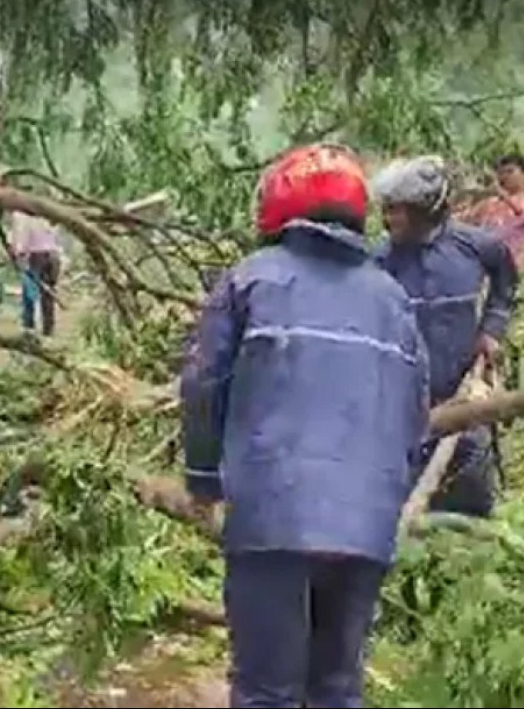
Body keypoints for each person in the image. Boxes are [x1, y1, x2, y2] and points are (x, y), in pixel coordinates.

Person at [181, 143, 430, 708]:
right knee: (336, 690)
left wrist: (202, 479)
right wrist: (387, 498)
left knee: (266, 691)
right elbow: (415, 418)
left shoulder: (249, 281)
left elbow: (203, 385)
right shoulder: (393, 300)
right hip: (365, 527)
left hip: (272, 518)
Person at [373, 155, 519, 518]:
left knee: (471, 498)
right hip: (400, 411)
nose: (389, 219)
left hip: (464, 399)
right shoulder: (377, 261)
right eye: (386, 209)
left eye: (398, 210)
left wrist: (492, 330)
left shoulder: (476, 247)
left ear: (428, 210)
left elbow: (506, 280)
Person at [458, 153, 524, 273]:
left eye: (510, 172)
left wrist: (503, 196)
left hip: (513, 268)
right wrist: (467, 196)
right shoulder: (489, 203)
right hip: (483, 267)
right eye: (501, 173)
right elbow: (461, 223)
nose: (504, 177)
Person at [8, 210, 61, 335]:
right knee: (48, 293)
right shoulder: (47, 216)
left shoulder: (22, 216)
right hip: (53, 255)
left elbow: (21, 239)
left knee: (29, 291)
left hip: (36, 255)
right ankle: (48, 328)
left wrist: (18, 254)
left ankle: (29, 325)